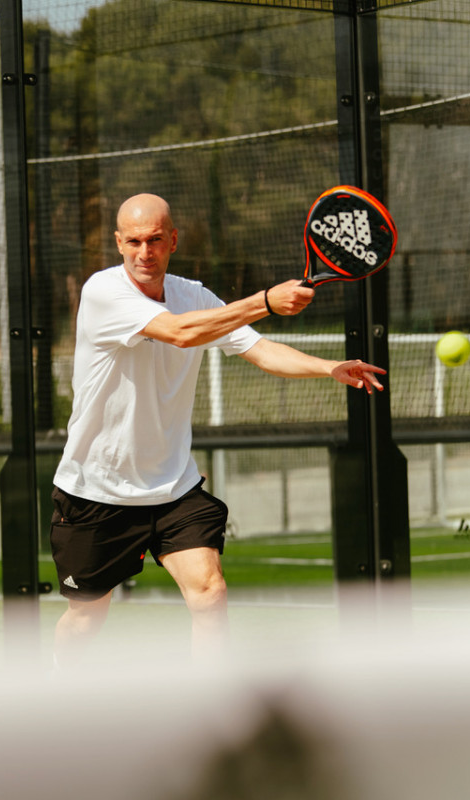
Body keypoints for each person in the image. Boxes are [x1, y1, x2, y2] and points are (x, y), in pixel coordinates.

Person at [50, 193, 385, 665]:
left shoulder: (195, 294)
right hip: (95, 491)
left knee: (209, 593)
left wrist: (328, 368)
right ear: (119, 243)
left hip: (172, 487)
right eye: (134, 242)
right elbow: (181, 332)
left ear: (173, 241)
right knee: (86, 617)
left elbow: (260, 349)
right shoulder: (103, 293)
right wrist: (266, 300)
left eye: (155, 241)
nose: (144, 253)